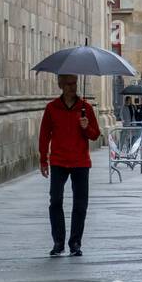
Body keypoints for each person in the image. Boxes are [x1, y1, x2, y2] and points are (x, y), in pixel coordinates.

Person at [39, 75, 101, 257]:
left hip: (80, 161)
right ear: (60, 85)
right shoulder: (52, 108)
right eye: (68, 84)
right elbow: (44, 134)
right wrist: (44, 158)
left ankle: (75, 242)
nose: (72, 87)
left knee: (80, 204)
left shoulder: (85, 108)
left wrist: (86, 126)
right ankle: (58, 241)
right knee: (55, 200)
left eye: (74, 83)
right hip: (58, 160)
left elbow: (95, 135)